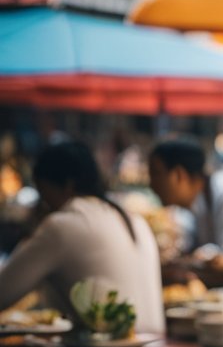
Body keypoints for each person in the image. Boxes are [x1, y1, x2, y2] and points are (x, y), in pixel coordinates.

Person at [0, 142, 163, 334]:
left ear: (67, 185)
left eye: (43, 192)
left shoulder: (62, 225)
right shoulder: (133, 219)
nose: (42, 203)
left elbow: (4, 292)